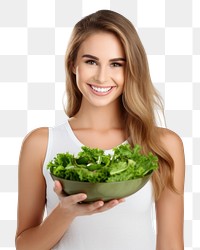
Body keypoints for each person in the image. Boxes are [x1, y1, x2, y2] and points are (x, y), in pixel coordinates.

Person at [15, 10, 185, 250]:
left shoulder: (162, 145)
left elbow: (170, 243)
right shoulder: (41, 143)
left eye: (116, 64)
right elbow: (24, 246)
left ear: (131, 70)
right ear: (73, 64)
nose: (102, 77)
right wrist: (64, 213)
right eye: (91, 61)